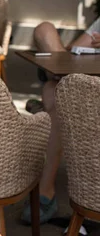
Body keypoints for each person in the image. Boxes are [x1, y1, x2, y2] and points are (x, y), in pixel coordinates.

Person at [21, 19, 100, 224]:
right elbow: (73, 51)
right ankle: (58, 77)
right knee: (44, 29)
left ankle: (45, 190)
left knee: (54, 94)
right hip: (85, 87)